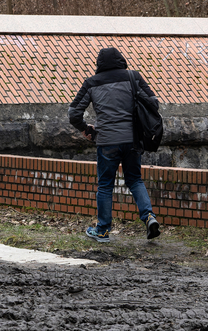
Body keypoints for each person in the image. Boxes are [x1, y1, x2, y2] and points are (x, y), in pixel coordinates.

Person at [68, 47, 161, 243]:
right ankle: (149, 216)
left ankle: (102, 230)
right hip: (132, 140)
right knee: (135, 180)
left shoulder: (92, 83)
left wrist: (87, 129)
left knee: (105, 185)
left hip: (107, 141)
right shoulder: (133, 77)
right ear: (121, 60)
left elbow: (74, 113)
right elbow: (153, 101)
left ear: (99, 64)